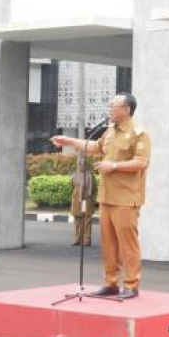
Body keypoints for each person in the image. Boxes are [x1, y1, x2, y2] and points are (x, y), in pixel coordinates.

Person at [50, 93, 150, 300]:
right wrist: (68, 141)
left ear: (126, 110)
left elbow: (141, 162)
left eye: (113, 105)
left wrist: (113, 166)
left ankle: (131, 284)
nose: (109, 109)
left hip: (126, 198)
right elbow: (95, 146)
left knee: (127, 244)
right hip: (107, 197)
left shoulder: (139, 134)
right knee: (109, 243)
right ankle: (111, 283)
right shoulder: (110, 132)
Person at [70, 152, 94, 247]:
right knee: (77, 220)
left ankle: (86, 240)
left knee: (86, 219)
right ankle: (77, 239)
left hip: (85, 200)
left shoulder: (89, 176)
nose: (81, 165)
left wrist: (84, 196)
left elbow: (91, 190)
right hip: (76, 200)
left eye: (83, 163)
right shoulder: (74, 175)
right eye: (79, 163)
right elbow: (72, 187)